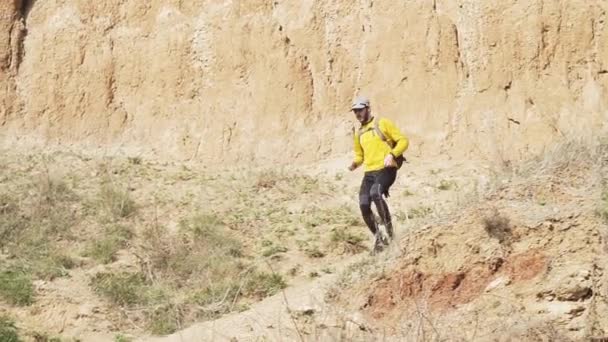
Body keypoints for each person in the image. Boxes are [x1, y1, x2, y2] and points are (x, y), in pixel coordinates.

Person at [348, 96, 409, 253]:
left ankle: (389, 235)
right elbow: (360, 155)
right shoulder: (359, 133)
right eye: (355, 111)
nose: (358, 114)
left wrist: (392, 154)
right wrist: (355, 163)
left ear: (368, 108)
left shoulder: (382, 123)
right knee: (363, 204)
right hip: (369, 172)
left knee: (376, 193)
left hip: (386, 169)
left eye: (360, 110)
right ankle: (379, 238)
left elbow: (403, 141)